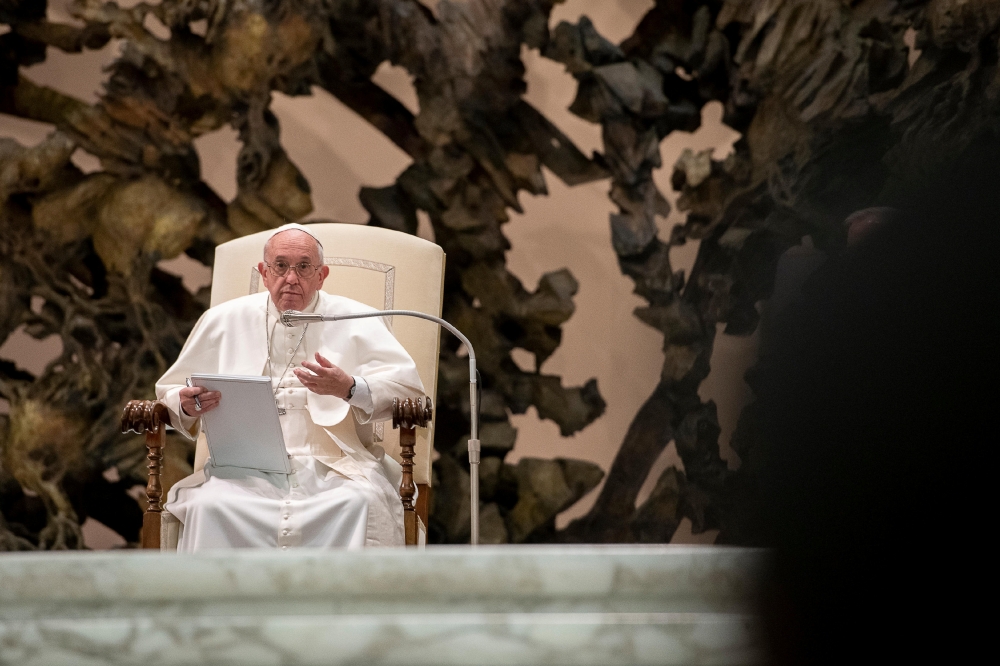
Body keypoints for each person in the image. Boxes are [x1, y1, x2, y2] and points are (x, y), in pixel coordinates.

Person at [155, 223, 424, 551]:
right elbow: (170, 391)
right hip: (242, 469)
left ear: (322, 275)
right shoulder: (222, 320)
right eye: (280, 266)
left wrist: (350, 388)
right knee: (208, 506)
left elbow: (410, 393)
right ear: (263, 272)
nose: (291, 278)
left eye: (304, 267)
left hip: (333, 464)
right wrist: (185, 404)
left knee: (360, 503)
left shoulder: (356, 318)